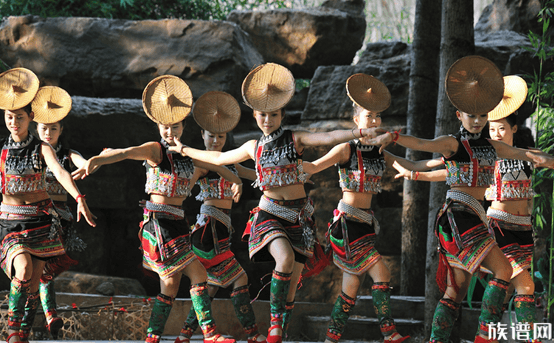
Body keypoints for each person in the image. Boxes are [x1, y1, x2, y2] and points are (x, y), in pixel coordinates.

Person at [168, 63, 384, 343]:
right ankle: (273, 326)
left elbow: (328, 137)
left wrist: (357, 134)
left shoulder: (295, 139)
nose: (267, 120)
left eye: (273, 114)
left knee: (292, 285)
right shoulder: (252, 147)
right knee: (284, 258)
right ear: (255, 115)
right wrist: (184, 149)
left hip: (301, 219)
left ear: (282, 114)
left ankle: (279, 327)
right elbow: (220, 159)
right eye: (262, 115)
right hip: (269, 214)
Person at [366, 56, 554, 343]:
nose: (478, 121)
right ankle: (483, 338)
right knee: (503, 270)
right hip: (457, 218)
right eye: (471, 116)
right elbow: (422, 146)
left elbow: (526, 155)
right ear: (458, 116)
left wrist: (546, 159)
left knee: (456, 290)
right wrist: (392, 137)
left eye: (482, 116)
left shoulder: (491, 147)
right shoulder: (454, 143)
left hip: (473, 219)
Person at [74, 76, 240, 343]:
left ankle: (152, 337)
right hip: (159, 224)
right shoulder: (156, 150)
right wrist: (99, 160)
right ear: (158, 126)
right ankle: (210, 334)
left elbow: (220, 163)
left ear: (184, 126)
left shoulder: (189, 155)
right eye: (165, 127)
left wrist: (237, 181)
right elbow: (127, 151)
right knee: (198, 273)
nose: (169, 132)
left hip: (177, 226)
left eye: (175, 126)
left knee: (171, 286)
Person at [303, 74, 442, 343]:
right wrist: (290, 171)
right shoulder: (345, 149)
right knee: (382, 272)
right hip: (346, 225)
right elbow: (315, 166)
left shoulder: (380, 152)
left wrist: (446, 161)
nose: (375, 122)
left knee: (351, 288)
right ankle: (389, 334)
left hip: (364, 226)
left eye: (378, 116)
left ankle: (330, 339)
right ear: (357, 120)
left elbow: (412, 166)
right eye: (369, 116)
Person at [0, 69, 96, 343]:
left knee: (34, 282)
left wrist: (79, 198)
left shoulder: (43, 149)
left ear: (31, 117)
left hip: (41, 222)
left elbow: (61, 171)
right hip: (10, 223)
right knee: (24, 269)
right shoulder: (1, 151)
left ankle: (24, 333)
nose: (14, 122)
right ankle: (13, 331)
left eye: (19, 117)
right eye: (9, 117)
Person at [173, 91, 264, 343]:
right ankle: (253, 335)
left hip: (220, 233)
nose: (215, 140)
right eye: (210, 136)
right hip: (207, 231)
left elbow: (254, 174)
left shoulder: (232, 164)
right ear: (202, 136)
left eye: (220, 136)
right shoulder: (201, 164)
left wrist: (294, 175)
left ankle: (184, 334)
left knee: (210, 286)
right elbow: (186, 187)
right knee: (239, 278)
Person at [18, 86, 90, 341]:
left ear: (62, 130)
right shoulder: (31, 151)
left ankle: (37, 322)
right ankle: (47, 316)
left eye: (54, 129)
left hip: (59, 218)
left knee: (43, 271)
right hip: (35, 216)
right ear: (36, 127)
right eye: (44, 128)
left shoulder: (66, 154)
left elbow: (81, 162)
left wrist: (90, 164)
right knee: (39, 273)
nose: (48, 133)